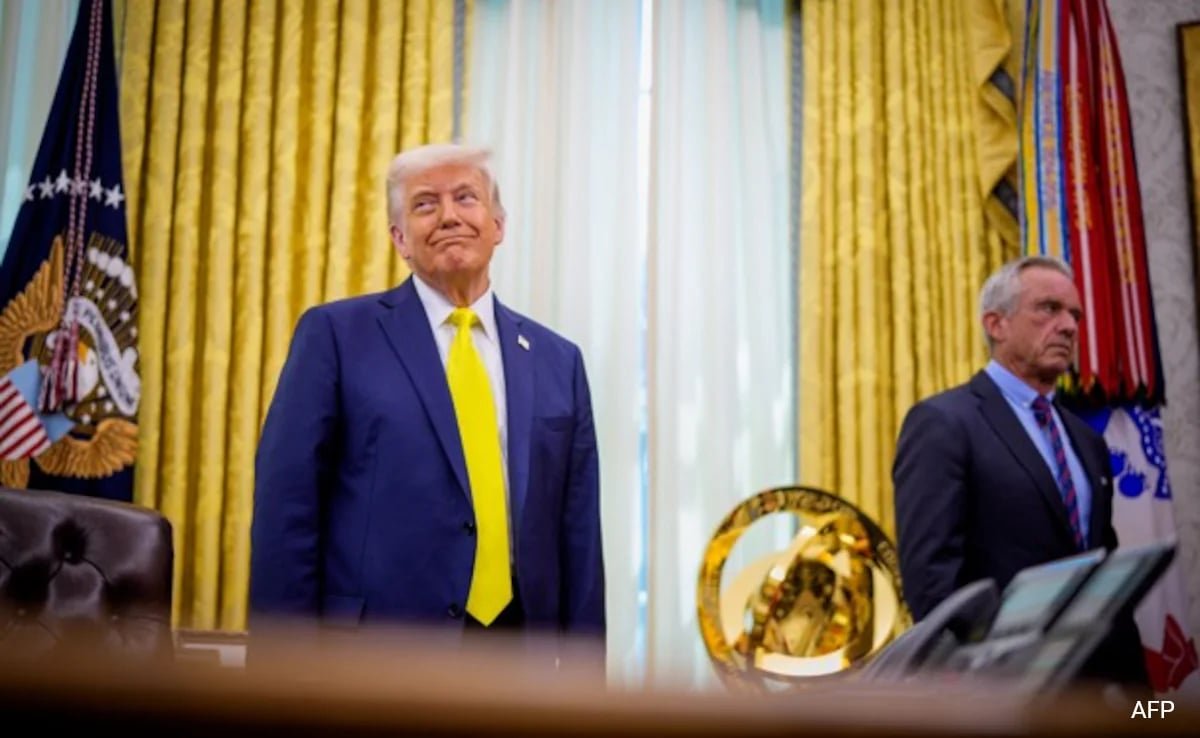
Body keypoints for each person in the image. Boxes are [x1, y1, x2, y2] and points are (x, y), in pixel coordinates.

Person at [249, 143, 605, 663]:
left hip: (519, 664)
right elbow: (287, 510)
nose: (449, 216)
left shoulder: (559, 361)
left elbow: (580, 536)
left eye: (466, 197)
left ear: (498, 225)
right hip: (376, 661)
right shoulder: (336, 336)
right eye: (424, 204)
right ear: (399, 238)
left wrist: (585, 685)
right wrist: (284, 673)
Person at [892, 255, 1148, 688]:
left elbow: (1105, 576)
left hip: (1099, 690)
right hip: (1002, 691)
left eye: (1075, 315)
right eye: (1049, 308)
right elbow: (932, 583)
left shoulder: (1086, 440)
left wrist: (1148, 707)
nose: (1068, 327)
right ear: (996, 324)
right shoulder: (943, 423)